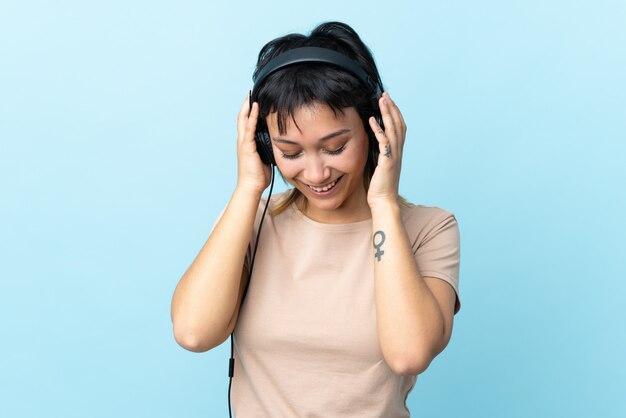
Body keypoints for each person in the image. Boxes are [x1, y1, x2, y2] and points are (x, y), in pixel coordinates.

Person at [171, 21, 461, 417]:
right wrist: (248, 188)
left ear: (377, 129)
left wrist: (383, 203)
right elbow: (193, 332)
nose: (316, 173)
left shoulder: (429, 229)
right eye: (290, 153)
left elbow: (409, 354)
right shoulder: (251, 220)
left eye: (335, 146)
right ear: (263, 144)